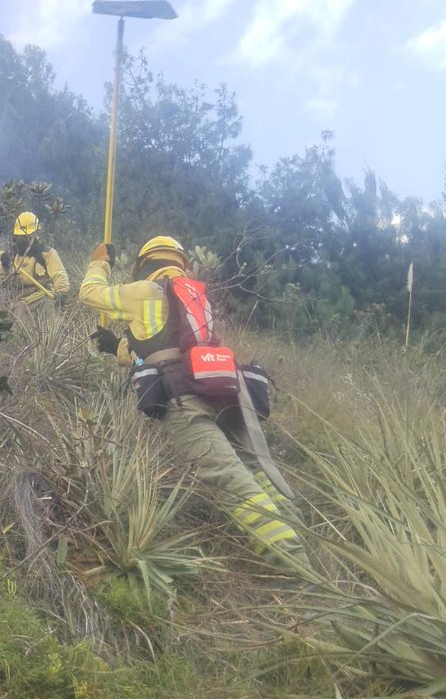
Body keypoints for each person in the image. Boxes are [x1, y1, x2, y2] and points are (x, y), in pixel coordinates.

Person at [79, 235, 307, 567]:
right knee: (254, 467)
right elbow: (164, 346)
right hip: (221, 389)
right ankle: (298, 530)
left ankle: (295, 564)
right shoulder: (194, 295)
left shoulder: (143, 291)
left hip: (183, 398)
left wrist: (99, 261)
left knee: (228, 476)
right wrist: (117, 349)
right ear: (180, 263)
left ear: (144, 263)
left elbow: (88, 294)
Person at [0, 211, 70, 306]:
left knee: (47, 308)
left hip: (44, 298)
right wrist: (4, 267)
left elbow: (60, 276)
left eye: (28, 236)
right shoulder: (9, 256)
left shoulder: (47, 254)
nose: (25, 239)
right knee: (19, 314)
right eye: (21, 237)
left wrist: (60, 294)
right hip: (19, 302)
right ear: (16, 236)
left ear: (36, 234)